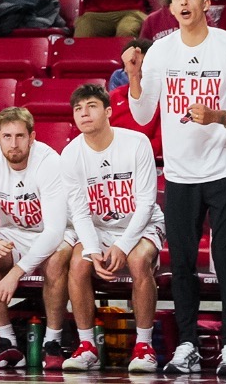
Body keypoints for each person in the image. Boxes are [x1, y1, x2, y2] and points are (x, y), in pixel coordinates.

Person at [126, 0, 226, 377]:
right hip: (181, 173)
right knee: (181, 262)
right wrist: (134, 76)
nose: (183, 2)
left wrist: (216, 115)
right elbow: (142, 114)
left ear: (206, 4)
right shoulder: (162, 52)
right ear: (170, 8)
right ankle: (186, 344)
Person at [59, 83, 165, 374]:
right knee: (78, 264)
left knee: (138, 260)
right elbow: (79, 211)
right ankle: (86, 346)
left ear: (108, 111)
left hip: (143, 224)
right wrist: (93, 250)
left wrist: (123, 245)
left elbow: (146, 204)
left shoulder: (136, 143)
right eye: (78, 109)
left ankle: (144, 346)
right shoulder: (70, 154)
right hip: (99, 228)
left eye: (91, 106)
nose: (84, 113)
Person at [0, 107, 74, 370]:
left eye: (19, 136)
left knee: (55, 261)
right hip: (15, 232)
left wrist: (17, 272)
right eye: (7, 136)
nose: (13, 144)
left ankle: (52, 342)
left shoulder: (49, 161)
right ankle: (7, 341)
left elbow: (54, 231)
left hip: (58, 231)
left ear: (32, 137)